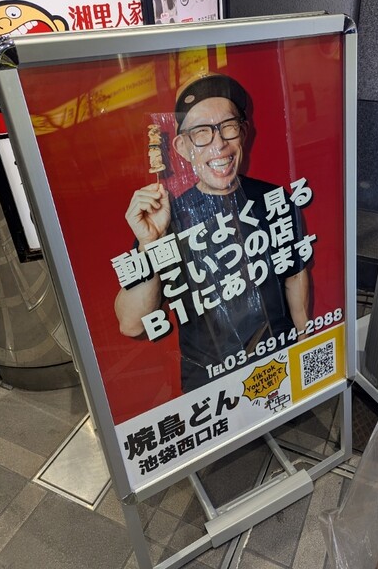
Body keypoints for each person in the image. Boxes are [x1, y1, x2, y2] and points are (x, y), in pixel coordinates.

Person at [115, 74, 310, 393]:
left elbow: (294, 275)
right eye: (201, 132)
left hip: (276, 360)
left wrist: (304, 340)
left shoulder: (273, 200)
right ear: (182, 146)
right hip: (209, 379)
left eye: (228, 127)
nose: (219, 144)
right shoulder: (167, 218)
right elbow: (132, 323)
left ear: (242, 133)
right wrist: (149, 243)